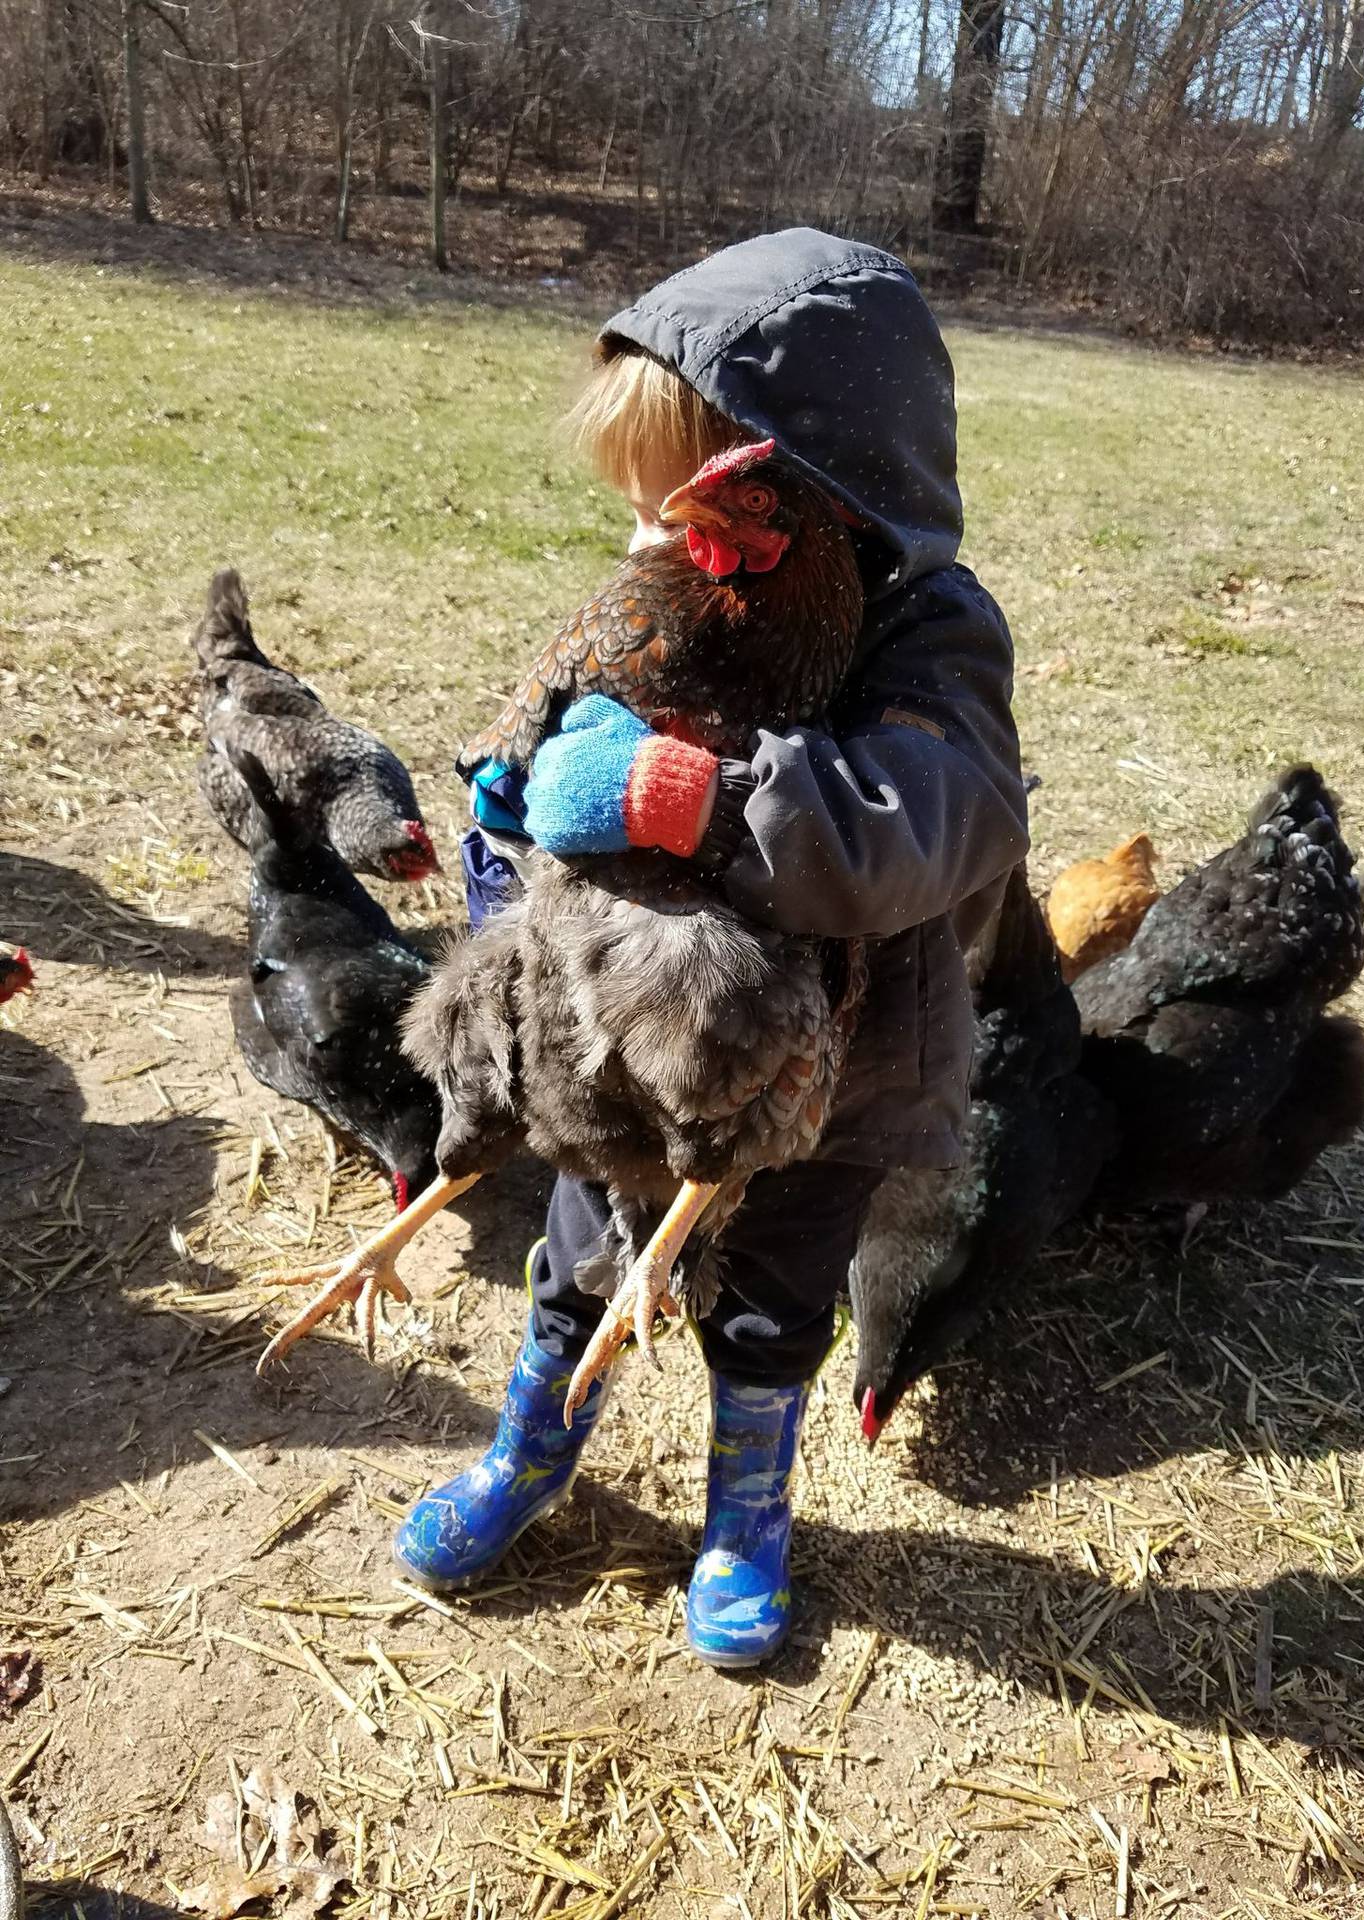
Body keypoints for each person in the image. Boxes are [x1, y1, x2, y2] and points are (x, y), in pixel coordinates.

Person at [395, 228, 1029, 1668]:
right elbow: (577, 706)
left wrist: (702, 798)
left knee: (777, 1298)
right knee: (575, 1257)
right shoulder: (681, 578)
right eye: (641, 510)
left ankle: (747, 1512)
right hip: (621, 1040)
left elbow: (952, 811)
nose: (648, 542)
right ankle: (531, 1453)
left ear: (820, 479)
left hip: (835, 1072)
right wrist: (513, 795)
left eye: (673, 502)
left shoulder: (931, 626)